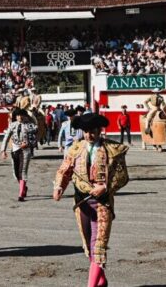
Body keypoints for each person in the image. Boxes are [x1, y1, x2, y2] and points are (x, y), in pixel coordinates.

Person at [53, 113, 129, 287]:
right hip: (82, 203)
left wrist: (106, 187)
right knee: (89, 245)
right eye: (86, 131)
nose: (89, 135)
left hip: (103, 202)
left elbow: (122, 176)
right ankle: (100, 281)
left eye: (92, 131)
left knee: (99, 246)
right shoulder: (75, 148)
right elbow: (64, 170)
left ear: (99, 130)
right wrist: (58, 187)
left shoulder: (113, 149)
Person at [0, 108, 38, 201]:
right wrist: (3, 150)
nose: (19, 117)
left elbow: (34, 140)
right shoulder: (12, 125)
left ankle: (21, 194)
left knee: (23, 172)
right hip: (14, 149)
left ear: (25, 116)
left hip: (25, 150)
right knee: (16, 173)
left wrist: (28, 143)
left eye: (21, 115)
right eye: (17, 115)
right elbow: (6, 137)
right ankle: (24, 187)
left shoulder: (30, 126)